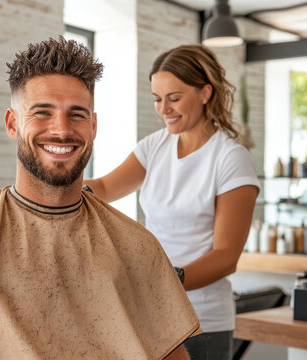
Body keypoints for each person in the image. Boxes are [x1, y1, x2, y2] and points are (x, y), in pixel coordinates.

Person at [0, 37, 200, 360]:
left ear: (94, 126)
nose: (61, 130)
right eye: (42, 113)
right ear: (12, 123)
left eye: (76, 115)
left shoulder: (136, 246)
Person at [84, 45, 259, 360]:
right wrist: (48, 182)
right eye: (157, 99)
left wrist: (165, 281)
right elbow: (104, 188)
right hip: (152, 317)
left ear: (205, 93)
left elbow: (226, 257)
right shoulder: (155, 146)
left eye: (174, 98)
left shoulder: (230, 159)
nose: (164, 109)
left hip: (202, 322)